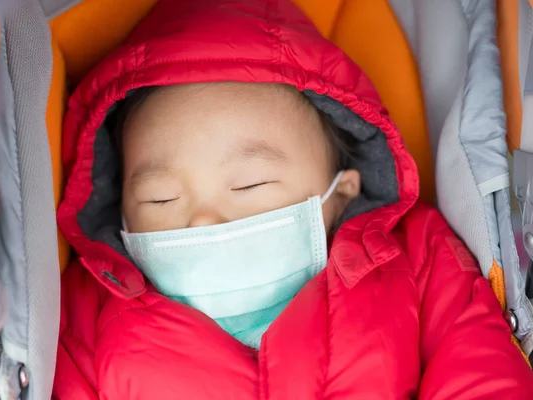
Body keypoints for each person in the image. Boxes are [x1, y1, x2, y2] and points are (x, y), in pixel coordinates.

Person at [52, 0, 533, 398]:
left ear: (341, 193)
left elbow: (478, 369)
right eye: (159, 199)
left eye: (249, 186)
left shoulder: (415, 259)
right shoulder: (89, 310)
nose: (201, 219)